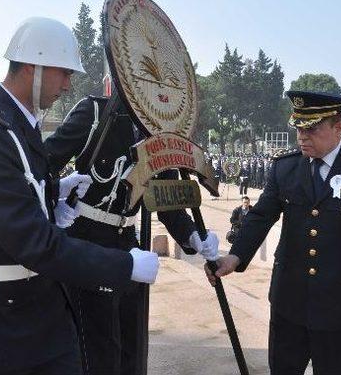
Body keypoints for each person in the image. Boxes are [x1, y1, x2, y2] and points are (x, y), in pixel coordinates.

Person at [0, 17, 160, 375]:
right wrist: (124, 265)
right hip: (1, 323)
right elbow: (32, 242)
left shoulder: (19, 124)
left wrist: (52, 198)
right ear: (33, 67)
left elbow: (19, 194)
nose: (68, 85)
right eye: (63, 73)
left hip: (37, 309)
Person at [205, 90, 341, 375]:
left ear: (338, 128)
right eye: (298, 127)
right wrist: (234, 257)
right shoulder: (286, 167)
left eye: (312, 128)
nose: (302, 136)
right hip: (288, 303)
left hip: (339, 309)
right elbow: (261, 215)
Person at [45, 89, 219, 375]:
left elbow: (165, 200)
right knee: (97, 347)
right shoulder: (94, 113)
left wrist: (193, 235)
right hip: (86, 240)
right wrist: (56, 198)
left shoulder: (157, 131)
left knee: (131, 344)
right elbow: (43, 163)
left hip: (129, 244)